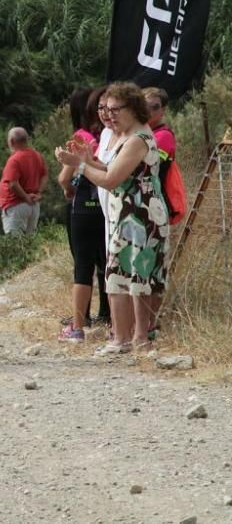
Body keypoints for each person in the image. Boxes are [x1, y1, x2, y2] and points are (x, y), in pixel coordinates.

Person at [55, 82, 169, 355]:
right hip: (126, 215)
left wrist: (79, 166)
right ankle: (125, 338)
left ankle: (136, 338)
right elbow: (110, 168)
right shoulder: (126, 136)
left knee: (137, 277)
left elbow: (110, 179)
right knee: (119, 275)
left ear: (133, 108)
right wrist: (87, 160)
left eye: (116, 109)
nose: (109, 114)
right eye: (105, 109)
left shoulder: (139, 138)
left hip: (141, 217)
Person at [56, 88, 109, 342]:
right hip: (108, 206)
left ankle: (79, 323)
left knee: (83, 266)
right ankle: (109, 317)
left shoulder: (82, 137)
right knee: (107, 264)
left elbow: (65, 177)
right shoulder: (111, 136)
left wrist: (67, 187)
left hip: (84, 207)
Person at [143, 87, 175, 338]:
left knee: (152, 270)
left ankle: (149, 326)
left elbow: (147, 167)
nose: (148, 111)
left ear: (162, 109)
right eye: (143, 105)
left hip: (156, 208)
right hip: (143, 208)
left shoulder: (162, 137)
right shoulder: (145, 134)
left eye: (154, 106)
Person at [0, 127, 47, 235]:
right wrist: (39, 193)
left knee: (15, 244)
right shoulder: (37, 156)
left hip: (16, 205)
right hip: (33, 205)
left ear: (11, 141)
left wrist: (25, 197)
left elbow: (13, 184)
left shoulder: (14, 159)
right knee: (30, 243)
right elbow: (44, 176)